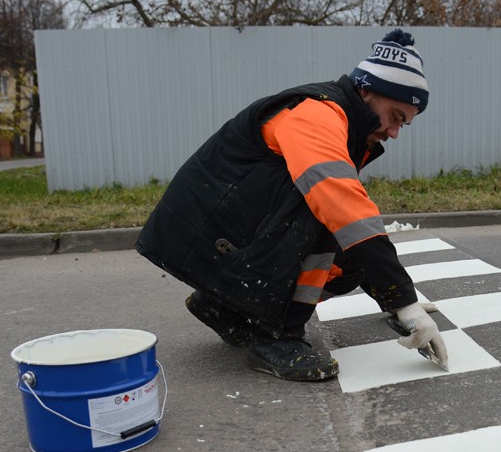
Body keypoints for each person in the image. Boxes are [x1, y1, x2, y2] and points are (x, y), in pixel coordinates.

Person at [135, 29, 448, 381]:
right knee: (324, 215)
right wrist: (402, 301)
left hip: (223, 234)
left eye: (403, 124)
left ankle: (220, 305)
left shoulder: (345, 123)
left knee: (352, 262)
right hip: (200, 234)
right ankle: (275, 336)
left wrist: (395, 302)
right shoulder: (318, 114)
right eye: (395, 116)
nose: (394, 132)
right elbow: (343, 207)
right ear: (367, 92)